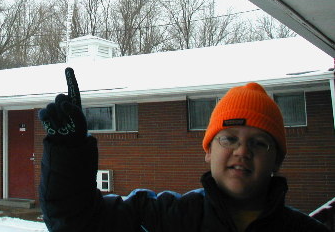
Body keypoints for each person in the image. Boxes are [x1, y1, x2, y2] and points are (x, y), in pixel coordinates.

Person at [38, 68, 329, 232]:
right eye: (228, 139)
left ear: (276, 160)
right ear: (208, 151)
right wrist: (70, 149)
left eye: (259, 142)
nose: (242, 151)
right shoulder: (167, 218)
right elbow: (77, 222)